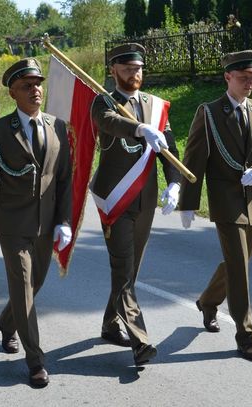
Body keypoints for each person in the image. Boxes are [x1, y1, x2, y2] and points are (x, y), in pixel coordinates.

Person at [0, 58, 72, 388]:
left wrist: (64, 220)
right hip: (12, 224)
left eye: (38, 83)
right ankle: (36, 360)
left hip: (45, 223)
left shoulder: (57, 126)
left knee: (35, 283)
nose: (35, 89)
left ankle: (6, 322)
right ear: (13, 92)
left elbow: (65, 178)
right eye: (27, 85)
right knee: (23, 286)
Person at [178, 50, 252, 361]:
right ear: (228, 77)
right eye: (244, 77)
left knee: (243, 261)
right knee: (239, 267)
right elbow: (194, 157)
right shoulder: (209, 112)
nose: (250, 82)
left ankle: (208, 301)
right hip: (226, 203)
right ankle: (245, 335)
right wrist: (188, 203)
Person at [90, 43, 181, 365]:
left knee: (130, 269)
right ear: (113, 70)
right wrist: (140, 128)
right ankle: (140, 341)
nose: (135, 74)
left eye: (139, 69)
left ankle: (109, 323)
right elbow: (109, 122)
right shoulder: (103, 101)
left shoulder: (155, 105)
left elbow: (168, 147)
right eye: (128, 69)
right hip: (115, 198)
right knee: (122, 268)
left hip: (145, 199)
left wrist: (174, 183)